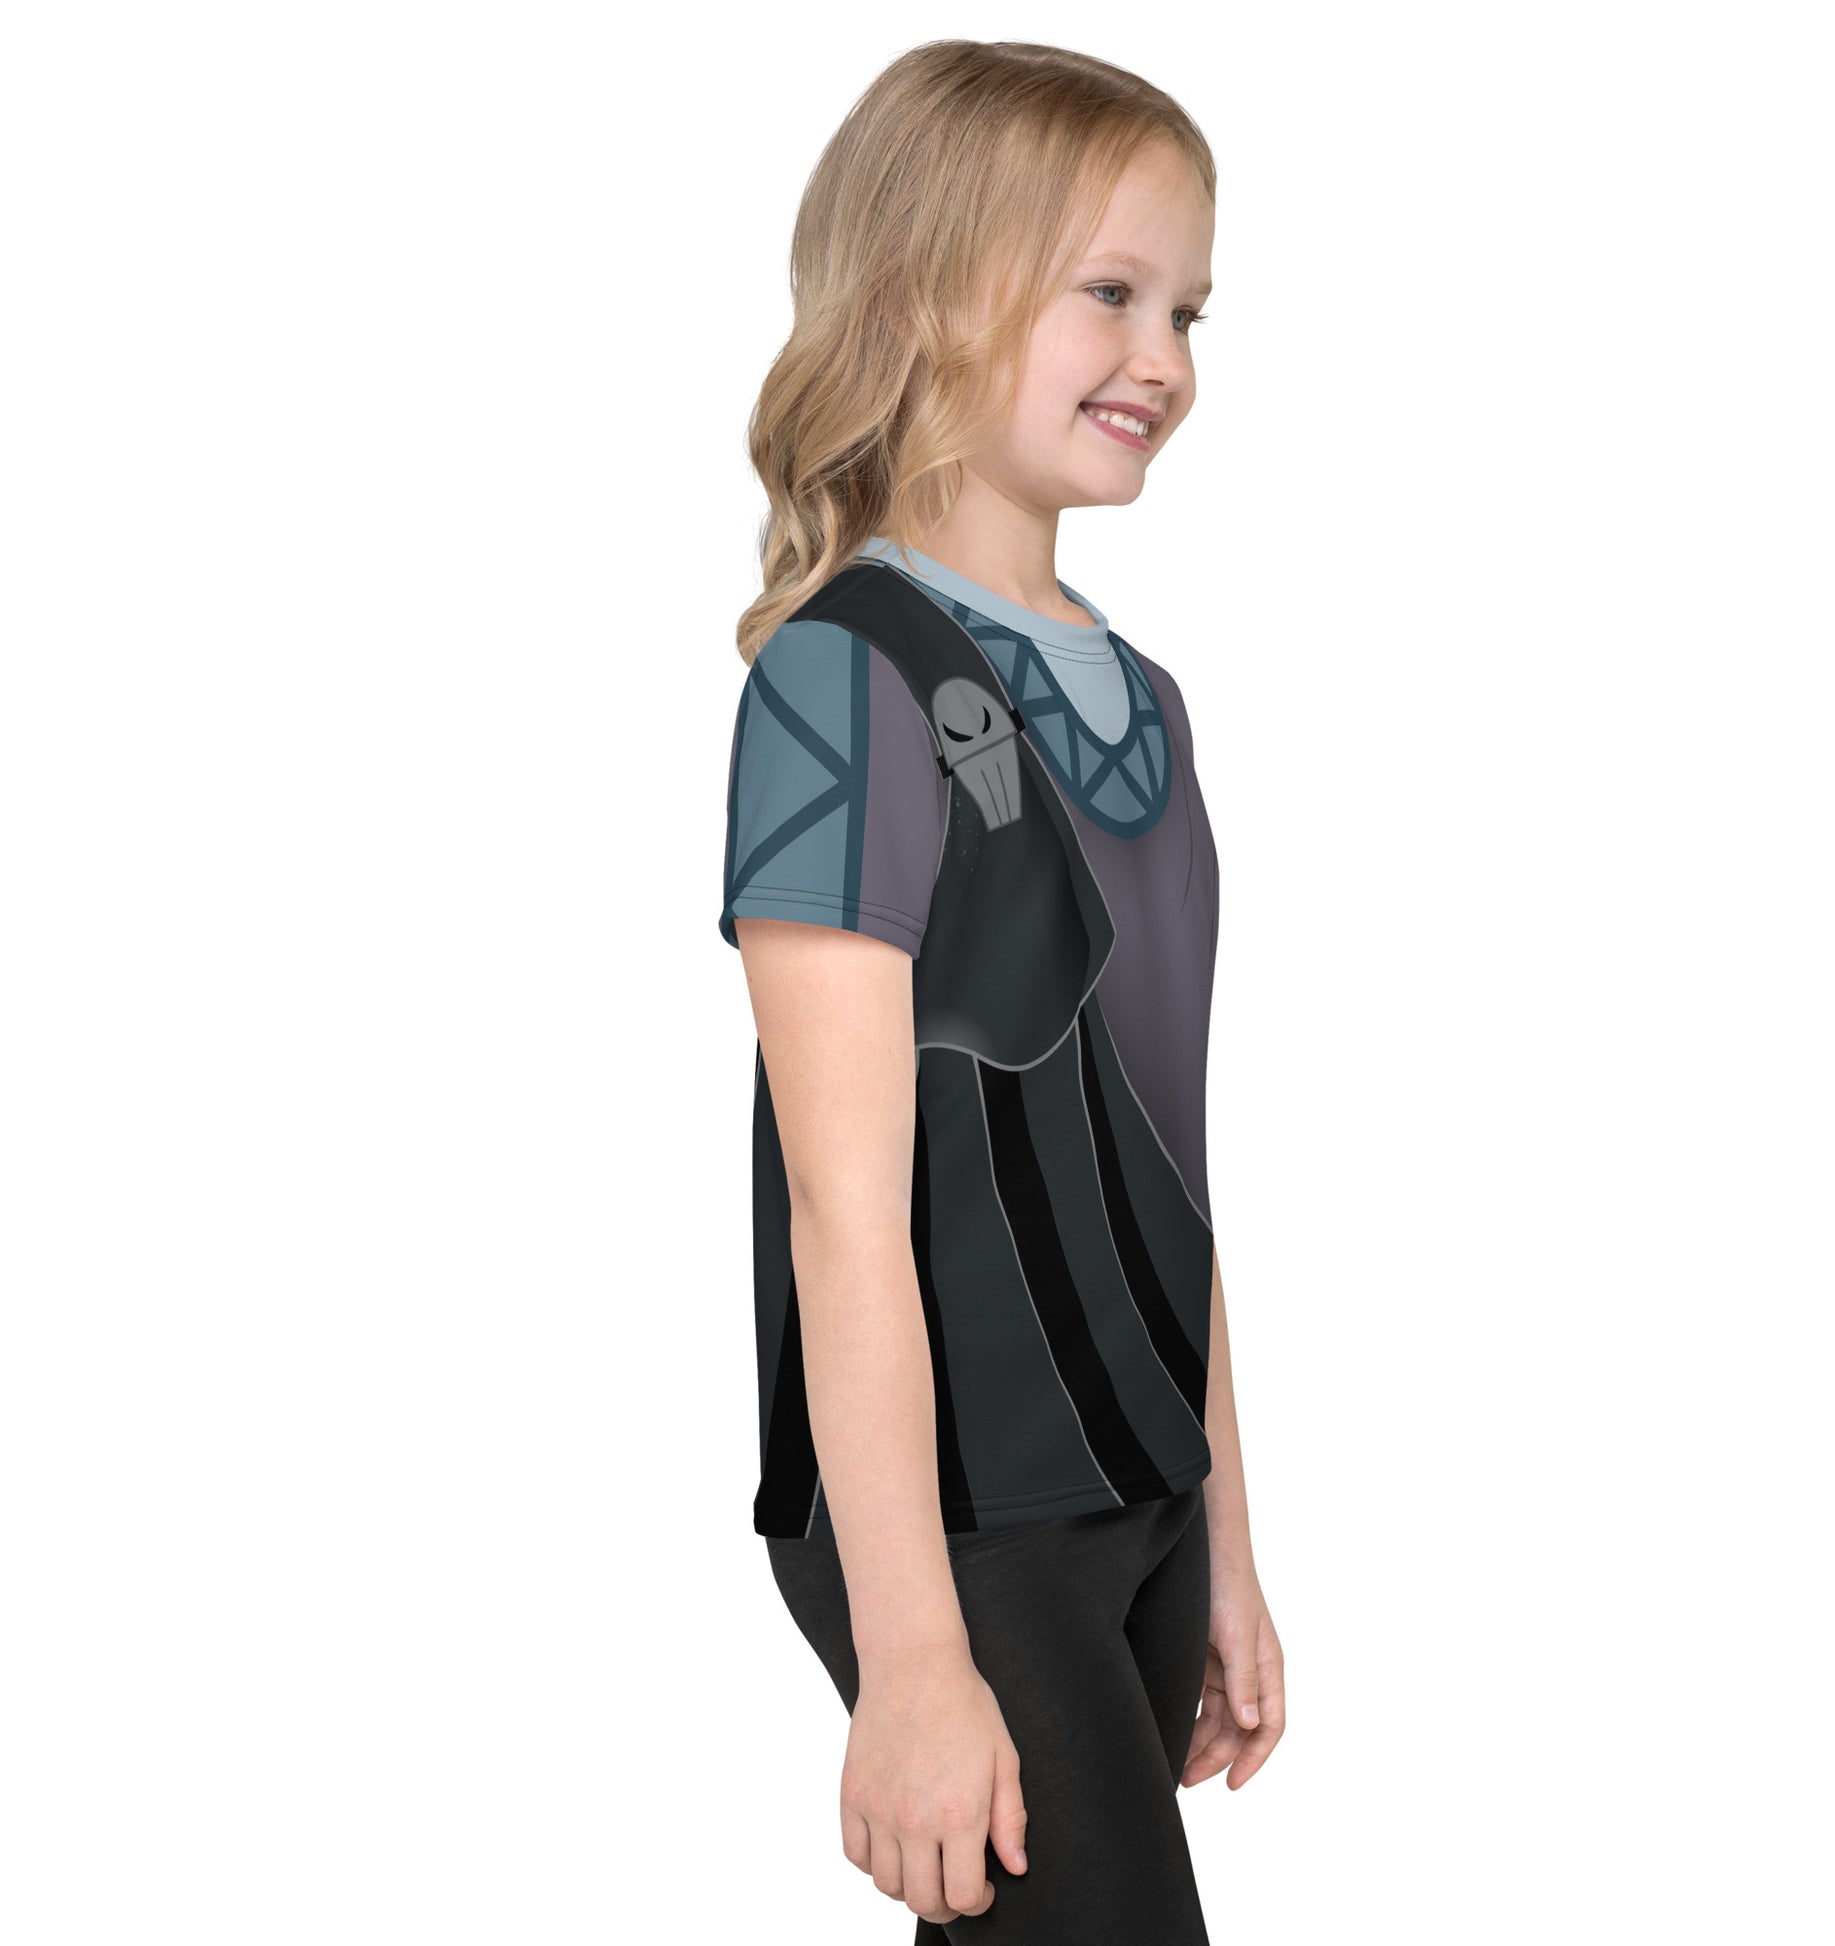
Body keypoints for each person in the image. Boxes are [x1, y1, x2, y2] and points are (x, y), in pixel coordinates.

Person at [714, 40, 1283, 1942]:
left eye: (1187, 309)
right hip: (956, 1517)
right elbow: (842, 1209)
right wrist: (907, 1655)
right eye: (1108, 291)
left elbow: (1173, 1153)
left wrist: (1225, 1544)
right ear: (921, 292)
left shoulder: (1151, 701)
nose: (1163, 358)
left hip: (1137, 1485)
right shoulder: (845, 678)